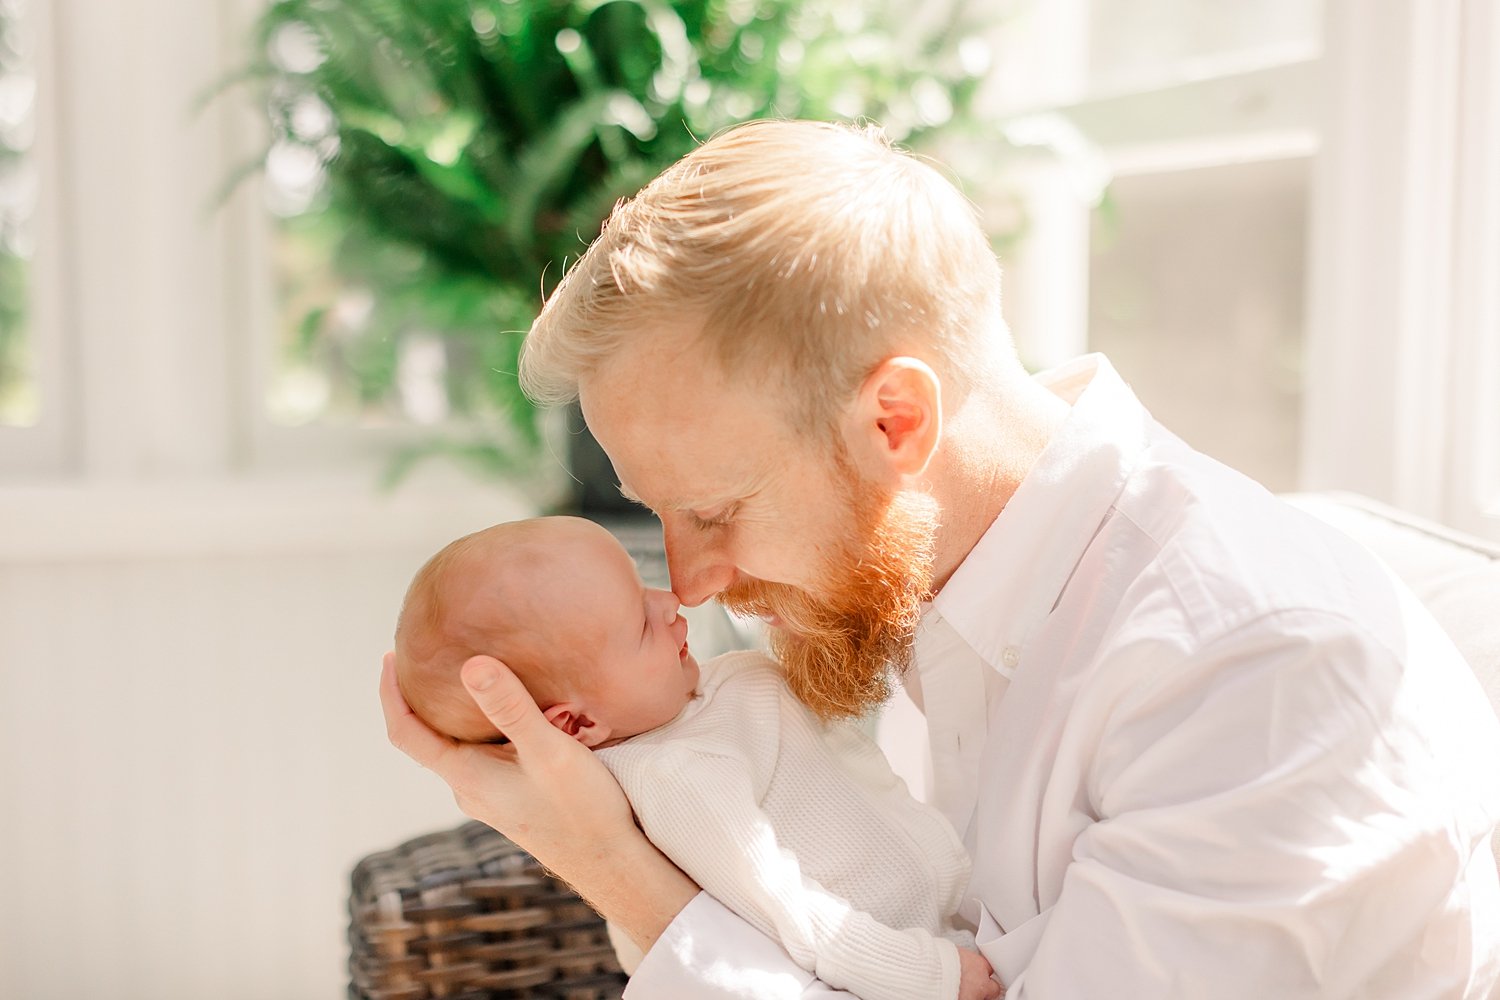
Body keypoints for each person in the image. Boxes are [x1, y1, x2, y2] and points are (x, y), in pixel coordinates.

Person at [380, 119, 1500, 998]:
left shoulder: (1249, 676)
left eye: (716, 509)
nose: (694, 580)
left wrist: (613, 865)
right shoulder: (939, 589)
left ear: (898, 422)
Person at [391, 516, 999, 1000]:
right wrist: (929, 979)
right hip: (895, 965)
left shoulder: (694, 698)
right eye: (639, 624)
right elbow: (792, 915)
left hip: (954, 917)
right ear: (576, 724)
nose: (670, 601)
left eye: (640, 581)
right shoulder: (676, 777)